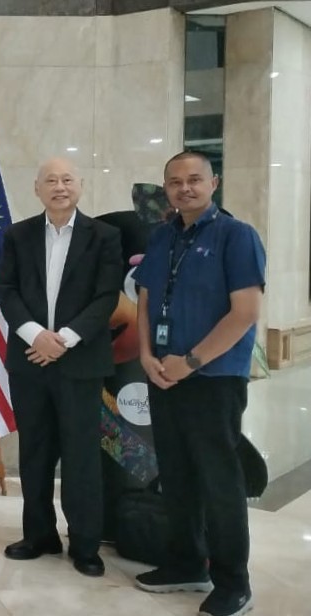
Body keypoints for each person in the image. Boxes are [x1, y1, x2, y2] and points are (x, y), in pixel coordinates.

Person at [132, 151, 264, 616]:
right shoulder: (162, 236)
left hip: (213, 379)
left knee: (220, 481)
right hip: (164, 377)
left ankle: (233, 582)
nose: (184, 188)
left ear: (214, 183)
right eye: (174, 181)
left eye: (194, 180)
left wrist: (190, 361)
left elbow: (245, 311)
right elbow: (146, 302)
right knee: (177, 473)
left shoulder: (236, 235)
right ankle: (186, 562)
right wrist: (147, 356)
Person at [0, 157, 122, 577]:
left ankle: (85, 544)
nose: (59, 186)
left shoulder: (105, 236)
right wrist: (36, 335)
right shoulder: (18, 235)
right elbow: (7, 289)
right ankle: (39, 535)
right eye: (50, 180)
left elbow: (106, 298)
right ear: (37, 189)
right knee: (34, 452)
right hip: (30, 361)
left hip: (80, 363)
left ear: (80, 186)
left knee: (81, 456)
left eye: (67, 179)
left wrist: (63, 340)